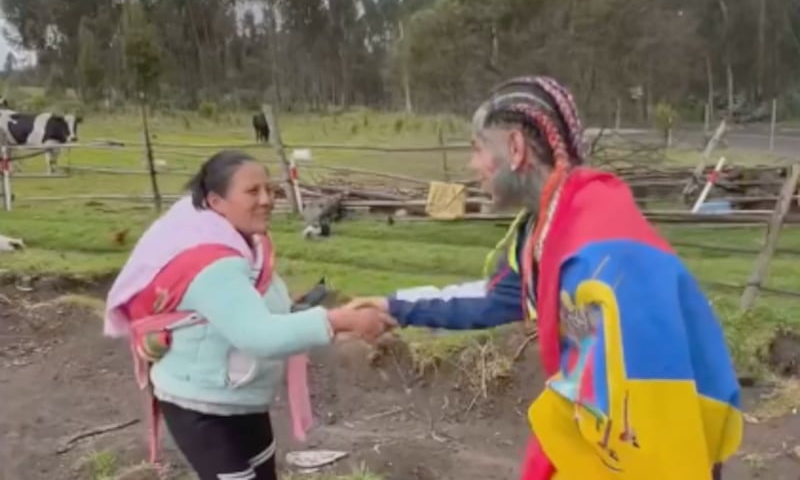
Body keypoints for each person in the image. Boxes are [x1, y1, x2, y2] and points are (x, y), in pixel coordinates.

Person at [347, 76, 743, 480]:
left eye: (478, 148)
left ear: (516, 149)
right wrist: (393, 306)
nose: (473, 166)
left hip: (658, 439)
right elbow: (494, 298)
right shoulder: (549, 228)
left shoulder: (592, 255)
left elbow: (600, 395)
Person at [104, 150, 394, 480]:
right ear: (215, 201)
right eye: (252, 192)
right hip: (202, 406)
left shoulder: (243, 240)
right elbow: (261, 336)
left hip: (240, 399)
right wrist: (339, 320)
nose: (268, 199)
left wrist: (327, 321)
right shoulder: (211, 263)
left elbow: (260, 309)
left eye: (269, 189)